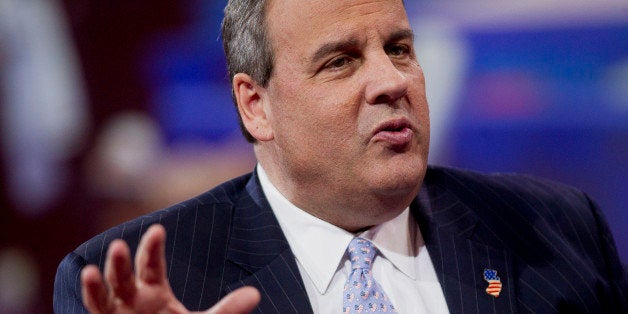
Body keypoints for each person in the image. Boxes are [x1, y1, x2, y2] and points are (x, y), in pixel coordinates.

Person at [53, 0, 627, 313]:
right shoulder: (133, 281)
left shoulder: (556, 229)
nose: (390, 81)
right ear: (256, 107)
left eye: (399, 49)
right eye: (340, 62)